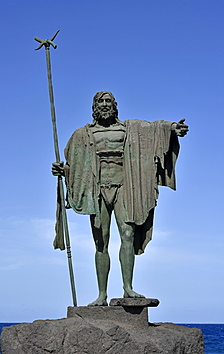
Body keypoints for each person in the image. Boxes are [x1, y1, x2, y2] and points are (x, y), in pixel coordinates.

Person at [52, 91, 188, 306]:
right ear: (94, 106)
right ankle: (102, 294)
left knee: (127, 233)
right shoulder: (82, 134)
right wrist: (64, 170)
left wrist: (172, 128)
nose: (105, 105)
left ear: (114, 105)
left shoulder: (128, 128)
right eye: (100, 101)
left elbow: (153, 128)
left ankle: (128, 288)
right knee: (100, 241)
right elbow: (75, 164)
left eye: (108, 101)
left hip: (125, 187)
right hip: (97, 189)